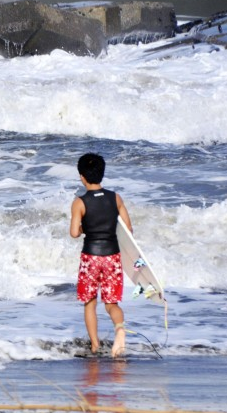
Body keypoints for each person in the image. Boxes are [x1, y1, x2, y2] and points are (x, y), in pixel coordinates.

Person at [69, 153, 133, 357]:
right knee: (112, 303)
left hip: (91, 257)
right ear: (102, 174)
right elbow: (128, 230)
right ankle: (120, 328)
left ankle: (95, 345)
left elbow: (74, 233)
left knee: (90, 302)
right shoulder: (115, 198)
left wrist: (82, 229)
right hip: (112, 256)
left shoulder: (79, 202)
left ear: (82, 177)